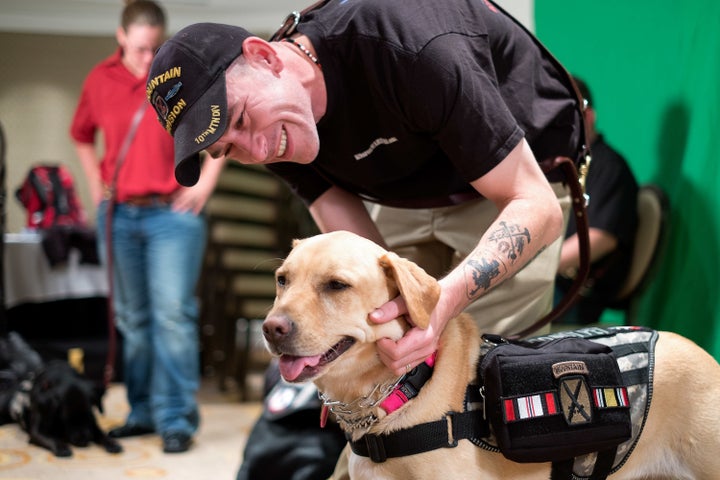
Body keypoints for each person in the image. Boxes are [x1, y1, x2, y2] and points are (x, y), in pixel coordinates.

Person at [145, 0, 585, 475]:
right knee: (381, 363)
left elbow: (535, 206)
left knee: (482, 394)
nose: (256, 149)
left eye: (242, 120)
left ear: (265, 56)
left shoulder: (411, 46)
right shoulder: (277, 122)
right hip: (406, 194)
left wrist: (441, 303)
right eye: (228, 148)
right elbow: (355, 246)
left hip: (515, 182)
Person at [69, 0, 225, 454]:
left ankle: (175, 419)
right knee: (133, 322)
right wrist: (94, 180)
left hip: (171, 217)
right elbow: (81, 134)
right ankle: (141, 413)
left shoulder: (177, 75)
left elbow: (217, 132)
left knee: (173, 318)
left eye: (154, 47)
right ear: (121, 37)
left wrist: (205, 186)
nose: (146, 58)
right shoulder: (100, 79)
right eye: (139, 48)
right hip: (118, 215)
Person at [554, 76, 639, 325]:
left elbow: (600, 238)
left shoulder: (610, 167)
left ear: (588, 116)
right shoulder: (559, 164)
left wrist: (534, 269)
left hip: (573, 295)